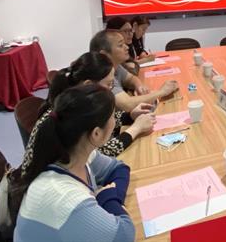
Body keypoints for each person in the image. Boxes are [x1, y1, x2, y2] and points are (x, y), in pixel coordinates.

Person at [12, 84, 135, 241]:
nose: (116, 120)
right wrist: (108, 198)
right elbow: (124, 235)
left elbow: (119, 168)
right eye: (112, 116)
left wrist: (110, 200)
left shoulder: (77, 153)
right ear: (96, 134)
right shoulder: (63, 197)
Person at [40, 52, 155, 156]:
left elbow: (100, 121)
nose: (111, 89)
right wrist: (136, 129)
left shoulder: (79, 99)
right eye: (109, 84)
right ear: (88, 84)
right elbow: (100, 153)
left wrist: (130, 116)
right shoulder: (71, 111)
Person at [89, 30, 178, 112]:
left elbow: (130, 78)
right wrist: (162, 92)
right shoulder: (103, 75)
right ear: (104, 54)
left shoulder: (116, 65)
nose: (127, 47)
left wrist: (138, 86)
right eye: (120, 45)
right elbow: (127, 105)